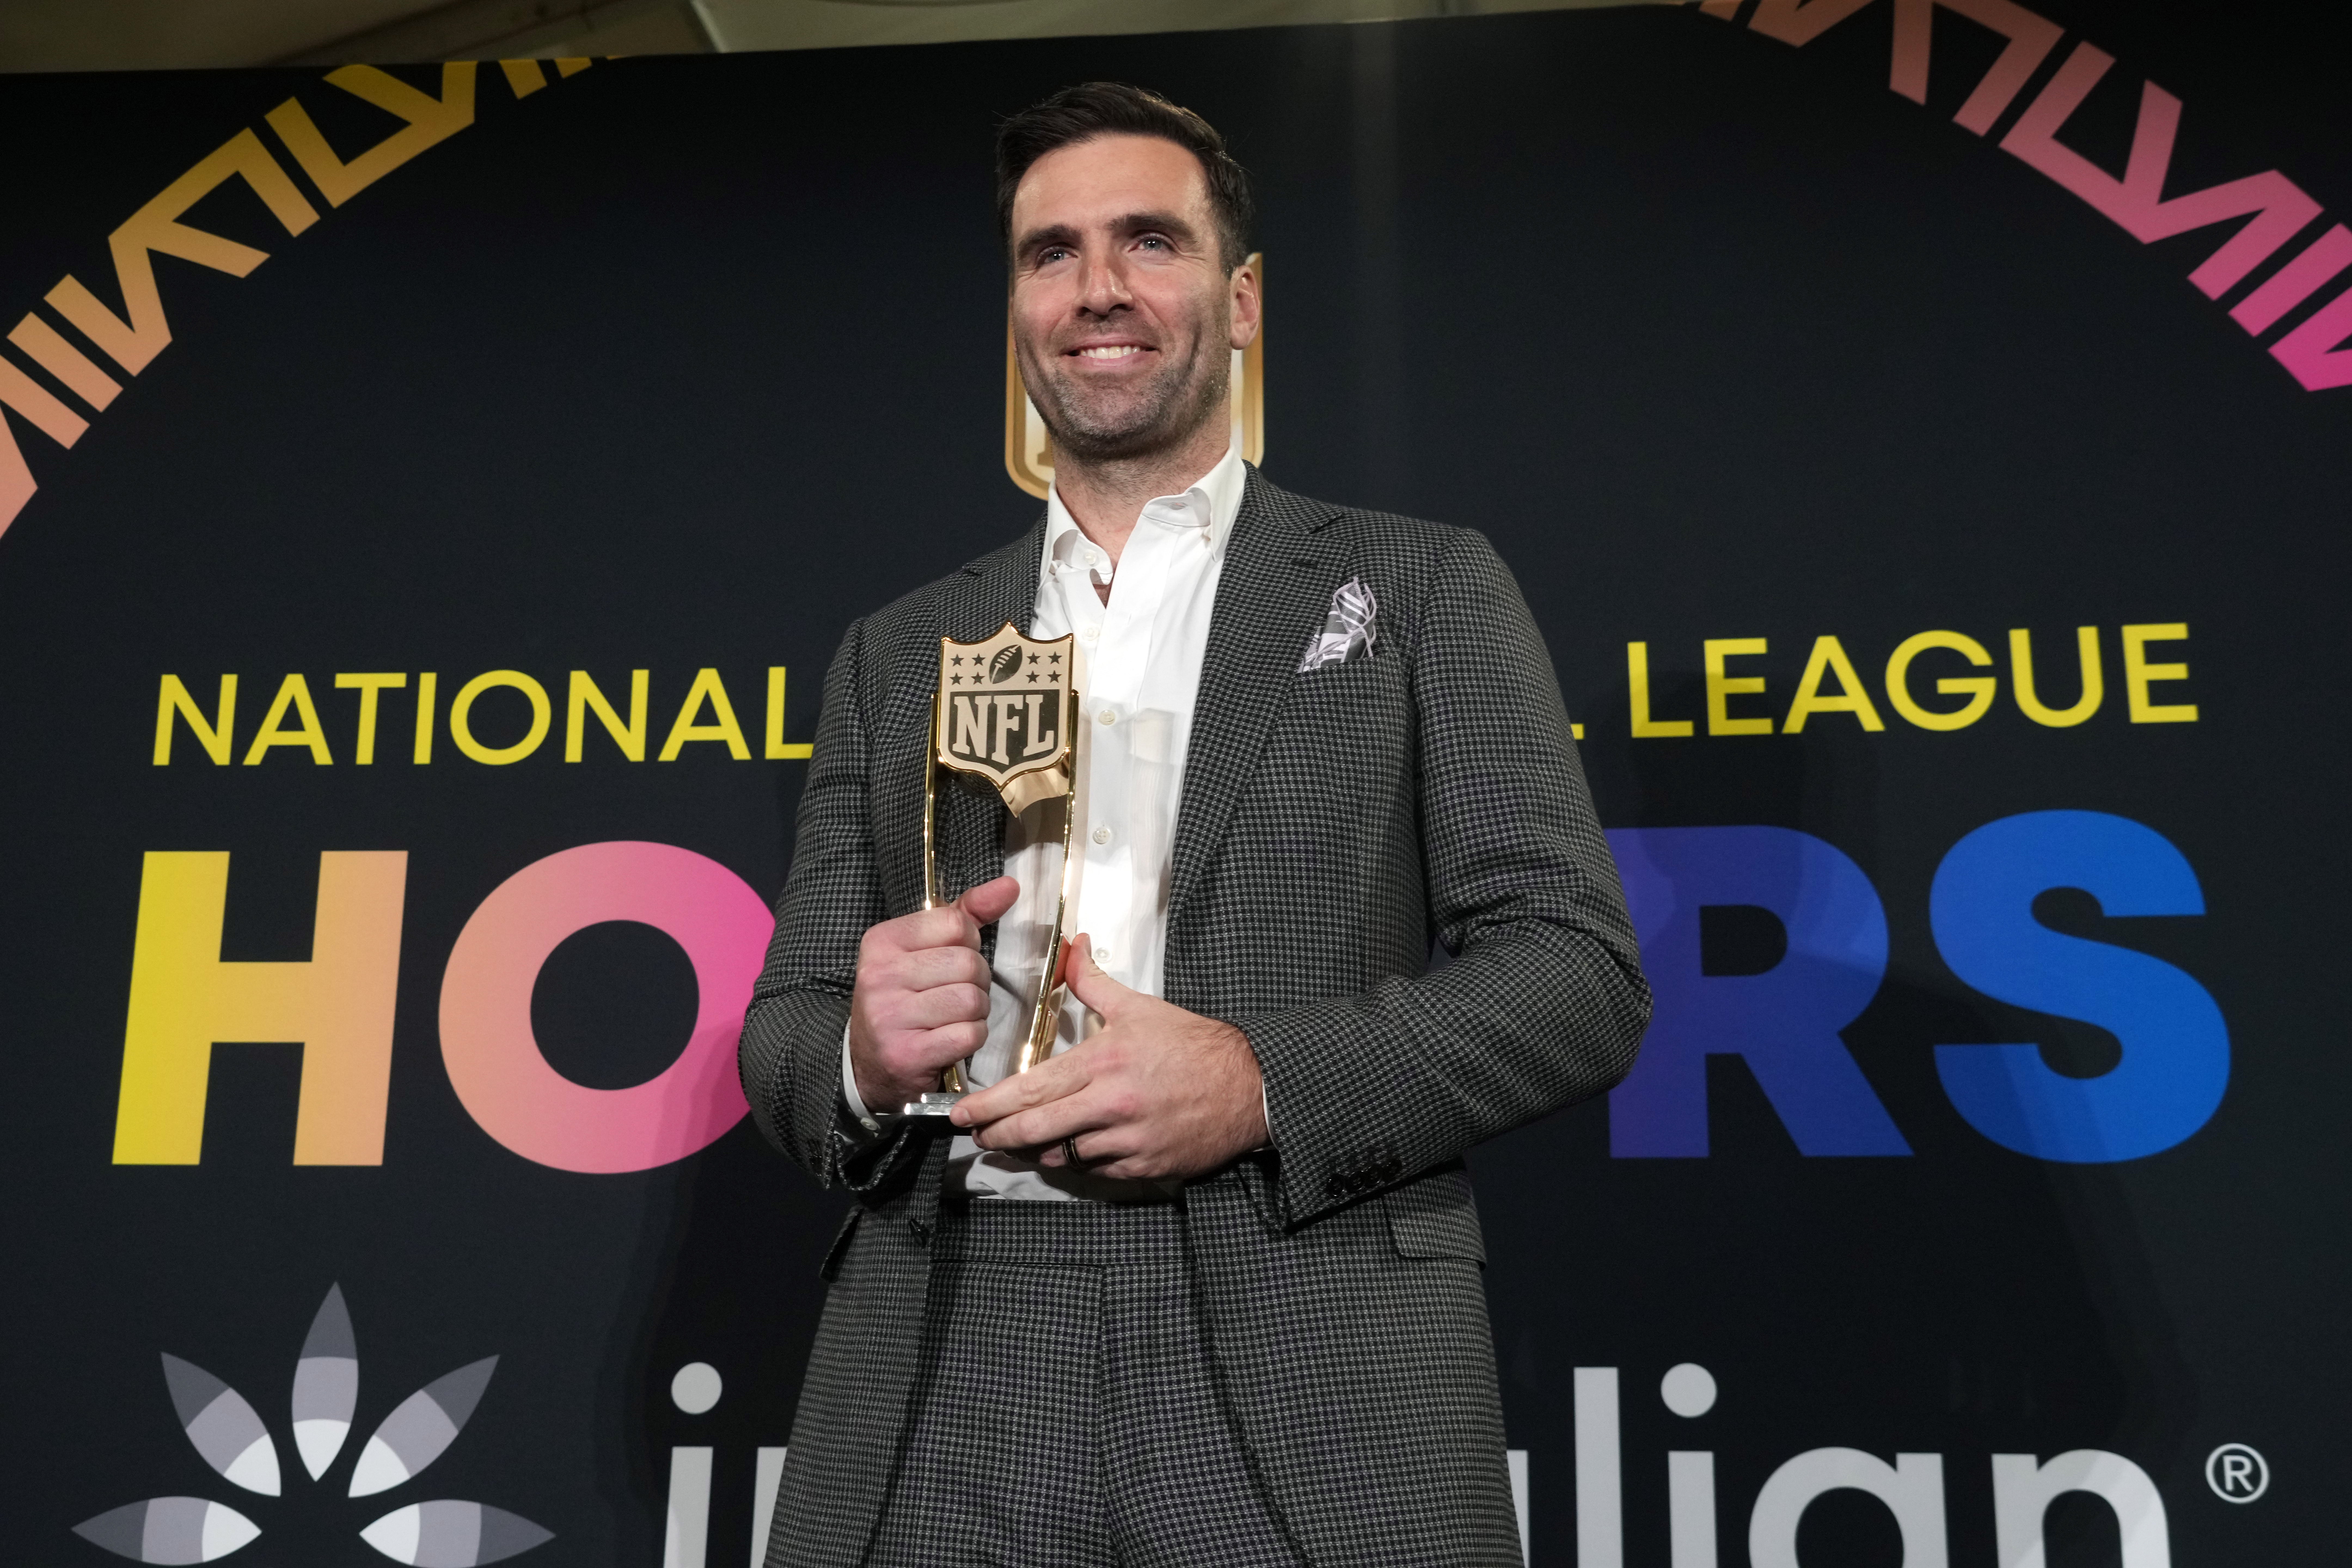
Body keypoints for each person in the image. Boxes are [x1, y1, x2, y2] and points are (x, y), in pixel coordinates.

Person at [740, 81, 1649, 1568]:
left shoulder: (1421, 590)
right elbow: (783, 1026)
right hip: (947, 1342)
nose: (1097, 288)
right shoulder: (896, 650)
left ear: (1241, 301)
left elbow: (1575, 976)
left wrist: (1258, 1080)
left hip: (1306, 1326)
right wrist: (855, 1051)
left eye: (1148, 242)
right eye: (1051, 253)